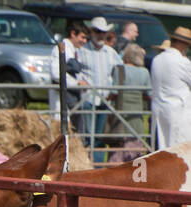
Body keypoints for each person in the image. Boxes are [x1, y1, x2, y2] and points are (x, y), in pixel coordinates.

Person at [78, 15, 122, 161]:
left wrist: (114, 92)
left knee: (100, 137)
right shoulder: (82, 51)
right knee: (87, 135)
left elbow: (120, 72)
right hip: (88, 99)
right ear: (91, 32)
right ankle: (85, 165)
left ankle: (96, 165)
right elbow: (75, 72)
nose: (101, 35)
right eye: (98, 31)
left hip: (105, 100)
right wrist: (79, 82)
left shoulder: (111, 53)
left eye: (103, 32)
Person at [151, 26, 191, 149]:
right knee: (179, 149)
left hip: (159, 110)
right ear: (184, 45)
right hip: (178, 111)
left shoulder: (156, 59)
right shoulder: (182, 62)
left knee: (162, 148)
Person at [107, 42, 150, 151]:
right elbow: (149, 95)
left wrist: (105, 100)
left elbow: (114, 92)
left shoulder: (119, 69)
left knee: (118, 149)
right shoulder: (144, 72)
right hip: (137, 116)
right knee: (135, 147)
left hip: (120, 115)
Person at [48, 20, 87, 128]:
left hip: (73, 99)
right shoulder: (59, 49)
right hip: (61, 99)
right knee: (62, 130)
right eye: (82, 37)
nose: (84, 41)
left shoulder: (75, 51)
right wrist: (76, 84)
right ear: (73, 34)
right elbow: (56, 74)